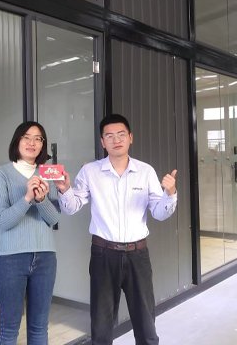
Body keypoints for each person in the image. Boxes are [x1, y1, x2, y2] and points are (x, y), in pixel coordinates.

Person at [55, 114, 177, 345]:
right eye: (109, 136)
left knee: (146, 324)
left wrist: (170, 194)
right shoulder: (90, 172)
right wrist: (64, 189)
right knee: (101, 326)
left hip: (137, 255)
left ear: (130, 137)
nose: (116, 140)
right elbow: (72, 207)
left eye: (121, 134)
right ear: (103, 142)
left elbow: (159, 213)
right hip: (103, 255)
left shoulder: (145, 171)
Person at [0, 121, 60, 345]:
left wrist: (41, 199)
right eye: (26, 137)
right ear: (17, 141)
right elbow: (3, 221)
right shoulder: (0, 174)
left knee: (39, 328)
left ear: (43, 145)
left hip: (45, 258)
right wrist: (28, 198)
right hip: (11, 259)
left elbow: (53, 219)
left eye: (38, 139)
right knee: (9, 329)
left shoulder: (47, 174)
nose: (32, 143)